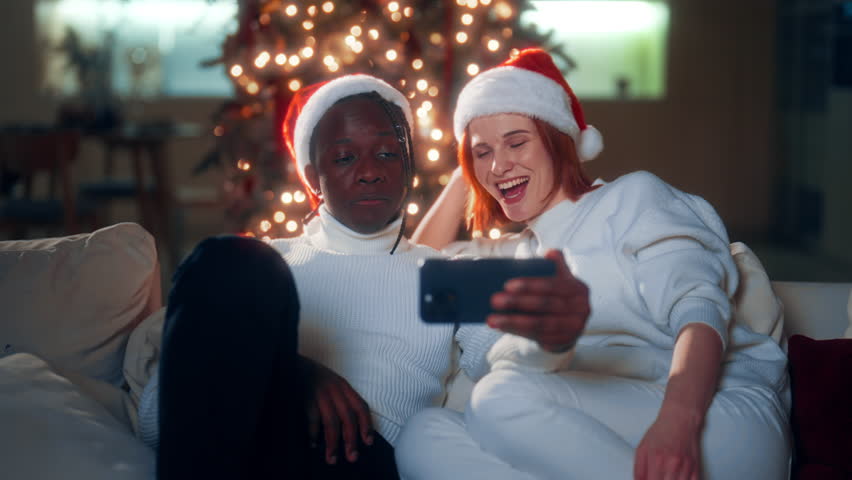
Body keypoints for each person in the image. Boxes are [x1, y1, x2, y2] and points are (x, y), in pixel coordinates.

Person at [136, 73, 583, 479]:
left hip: (362, 462)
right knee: (232, 259)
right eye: (346, 157)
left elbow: (519, 357)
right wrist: (294, 373)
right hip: (251, 450)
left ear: (408, 167)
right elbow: (158, 423)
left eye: (387, 154)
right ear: (314, 177)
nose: (370, 172)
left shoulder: (443, 273)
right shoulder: (263, 268)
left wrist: (556, 334)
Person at [395, 49, 791, 480]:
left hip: (713, 413)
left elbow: (699, 310)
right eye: (482, 153)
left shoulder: (633, 197)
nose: (499, 164)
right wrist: (469, 163)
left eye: (517, 142)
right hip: (603, 431)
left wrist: (677, 425)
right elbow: (414, 269)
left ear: (559, 141)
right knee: (423, 433)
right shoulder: (522, 255)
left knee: (496, 398)